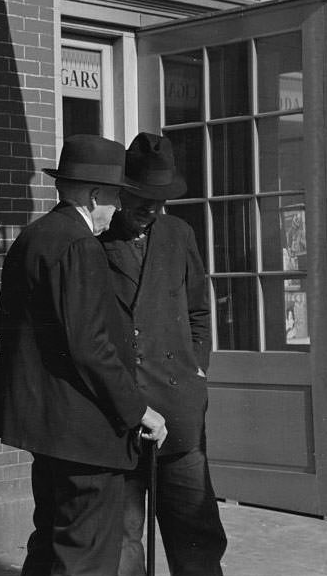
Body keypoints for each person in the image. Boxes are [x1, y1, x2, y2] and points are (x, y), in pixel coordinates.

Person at [0, 134, 168, 576]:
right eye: (115, 198)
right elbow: (90, 346)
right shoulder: (79, 245)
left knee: (48, 544)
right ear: (93, 195)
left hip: (46, 431)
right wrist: (140, 409)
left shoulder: (33, 237)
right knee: (84, 555)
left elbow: (4, 325)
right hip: (85, 436)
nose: (118, 210)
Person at [99, 132, 227, 576]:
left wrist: (197, 368)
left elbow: (198, 309)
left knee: (196, 534)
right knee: (122, 541)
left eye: (159, 201)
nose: (150, 210)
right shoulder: (96, 246)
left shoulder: (178, 234)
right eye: (141, 199)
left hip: (179, 409)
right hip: (126, 414)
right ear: (120, 192)